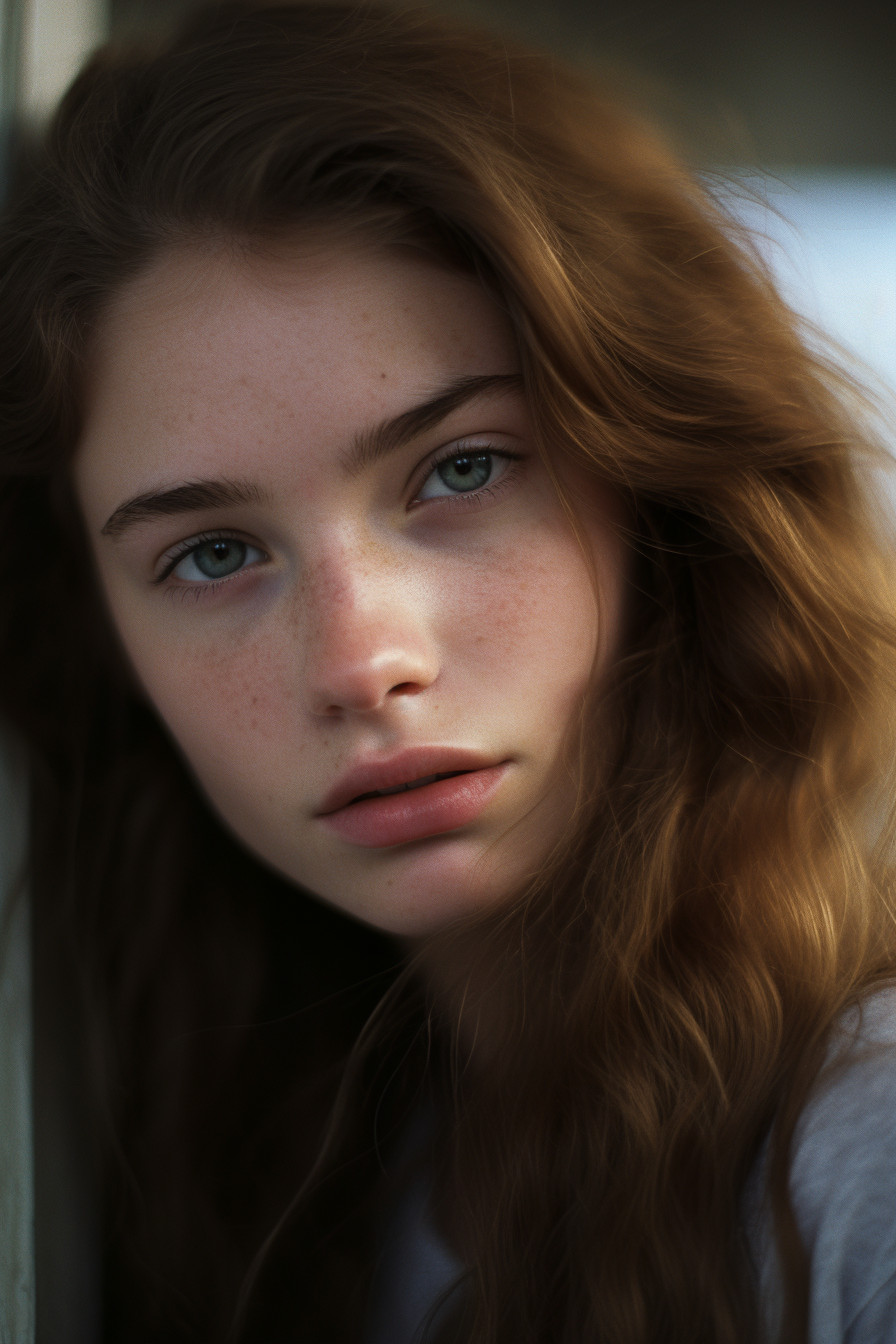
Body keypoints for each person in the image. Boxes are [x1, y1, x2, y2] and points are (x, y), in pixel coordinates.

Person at [1, 2, 896, 1340]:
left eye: (460, 470)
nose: (363, 663)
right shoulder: (290, 1142)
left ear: (660, 495)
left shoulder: (860, 1159)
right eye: (211, 555)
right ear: (105, 638)